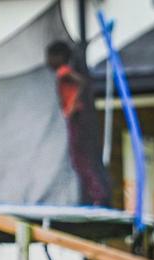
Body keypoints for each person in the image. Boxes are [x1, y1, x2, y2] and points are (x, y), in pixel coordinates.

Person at [46, 40, 111, 207]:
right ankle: (96, 194)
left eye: (51, 57)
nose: (48, 61)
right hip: (74, 116)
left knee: (80, 158)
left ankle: (98, 195)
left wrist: (74, 103)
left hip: (76, 117)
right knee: (79, 159)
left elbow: (81, 82)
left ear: (59, 57)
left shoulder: (63, 72)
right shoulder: (63, 72)